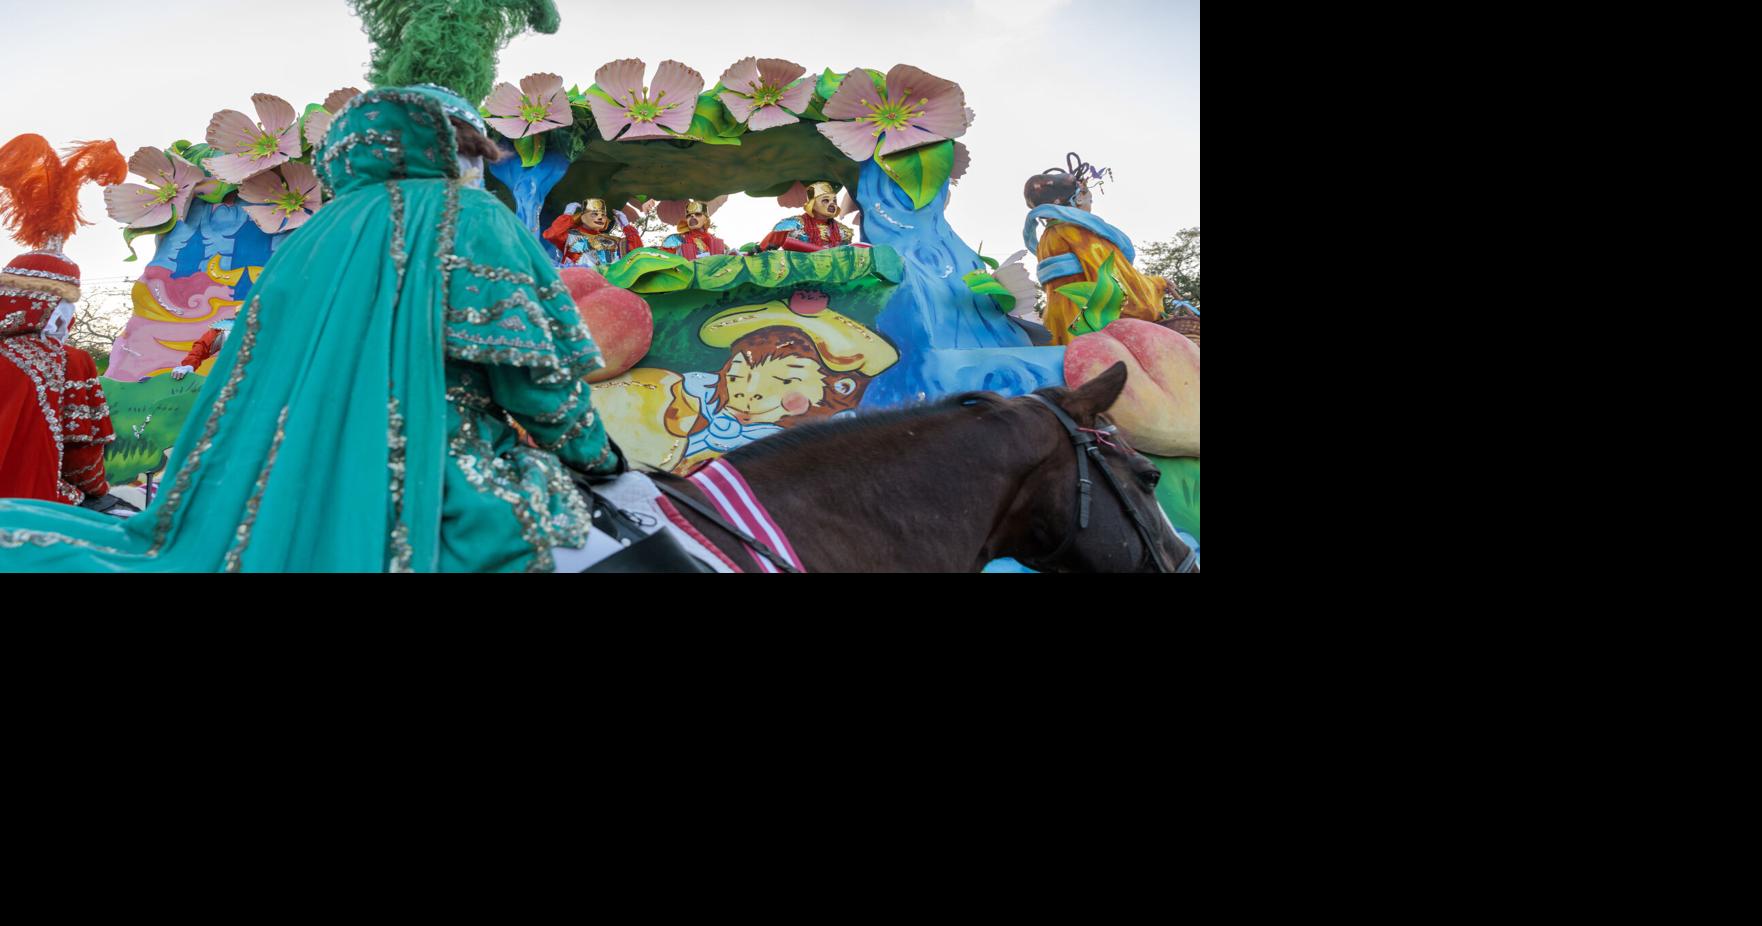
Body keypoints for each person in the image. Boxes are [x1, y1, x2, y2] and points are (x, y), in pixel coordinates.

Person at [0, 0, 628, 572]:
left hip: (280, 485)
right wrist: (600, 460)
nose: (475, 169)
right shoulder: (474, 216)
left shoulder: (312, 234)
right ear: (453, 148)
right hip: (441, 481)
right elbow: (538, 382)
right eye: (474, 155)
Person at [0, 134, 127, 506]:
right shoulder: (69, 361)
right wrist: (101, 494)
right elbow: (81, 459)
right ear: (55, 309)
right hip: (30, 510)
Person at [1024, 152, 1179, 345]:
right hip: (1090, 333)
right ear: (1079, 198)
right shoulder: (1078, 232)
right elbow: (1118, 286)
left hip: (1057, 329)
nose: (1090, 205)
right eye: (1090, 199)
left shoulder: (1048, 236)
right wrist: (1157, 284)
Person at [542, 198, 643, 269]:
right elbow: (552, 234)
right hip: (575, 282)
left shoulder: (612, 241)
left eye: (603, 215)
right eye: (594, 214)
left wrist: (626, 227)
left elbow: (637, 254)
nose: (600, 217)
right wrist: (567, 215)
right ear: (583, 217)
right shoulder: (572, 235)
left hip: (606, 286)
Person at [760, 181, 859, 253]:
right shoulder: (791, 225)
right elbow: (762, 249)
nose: (832, 204)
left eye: (834, 201)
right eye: (825, 200)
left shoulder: (843, 232)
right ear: (813, 204)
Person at [659, 199, 732, 259]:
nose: (692, 217)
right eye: (689, 216)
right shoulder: (675, 239)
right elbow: (664, 257)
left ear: (706, 220)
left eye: (698, 214)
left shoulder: (716, 241)